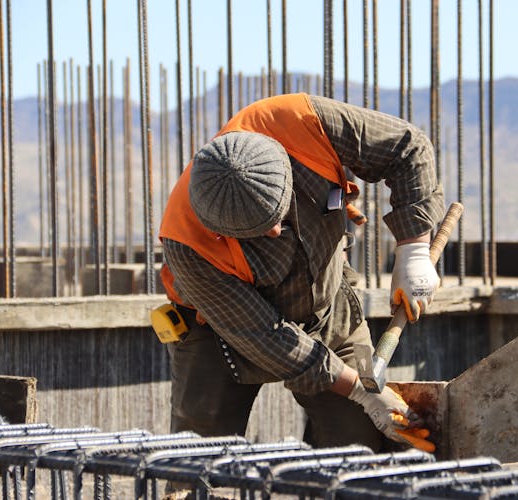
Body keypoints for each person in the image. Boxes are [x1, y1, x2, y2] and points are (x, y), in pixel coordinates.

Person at [158, 92, 445, 453]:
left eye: (278, 216)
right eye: (256, 234)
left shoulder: (300, 122)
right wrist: (360, 389)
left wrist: (414, 249)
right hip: (219, 331)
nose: (276, 233)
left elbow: (408, 148)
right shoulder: (188, 243)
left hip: (327, 306)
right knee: (195, 462)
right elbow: (269, 338)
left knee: (364, 446)